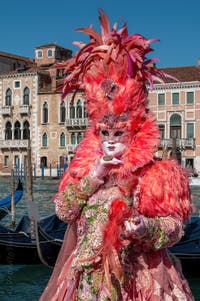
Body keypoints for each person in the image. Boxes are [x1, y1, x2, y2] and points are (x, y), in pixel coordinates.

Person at [40, 9, 195, 301]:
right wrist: (94, 176)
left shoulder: (157, 174)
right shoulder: (84, 169)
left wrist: (145, 227)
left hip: (136, 282)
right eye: (105, 134)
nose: (110, 141)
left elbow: (174, 229)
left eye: (118, 134)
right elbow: (64, 211)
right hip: (85, 281)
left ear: (135, 132)